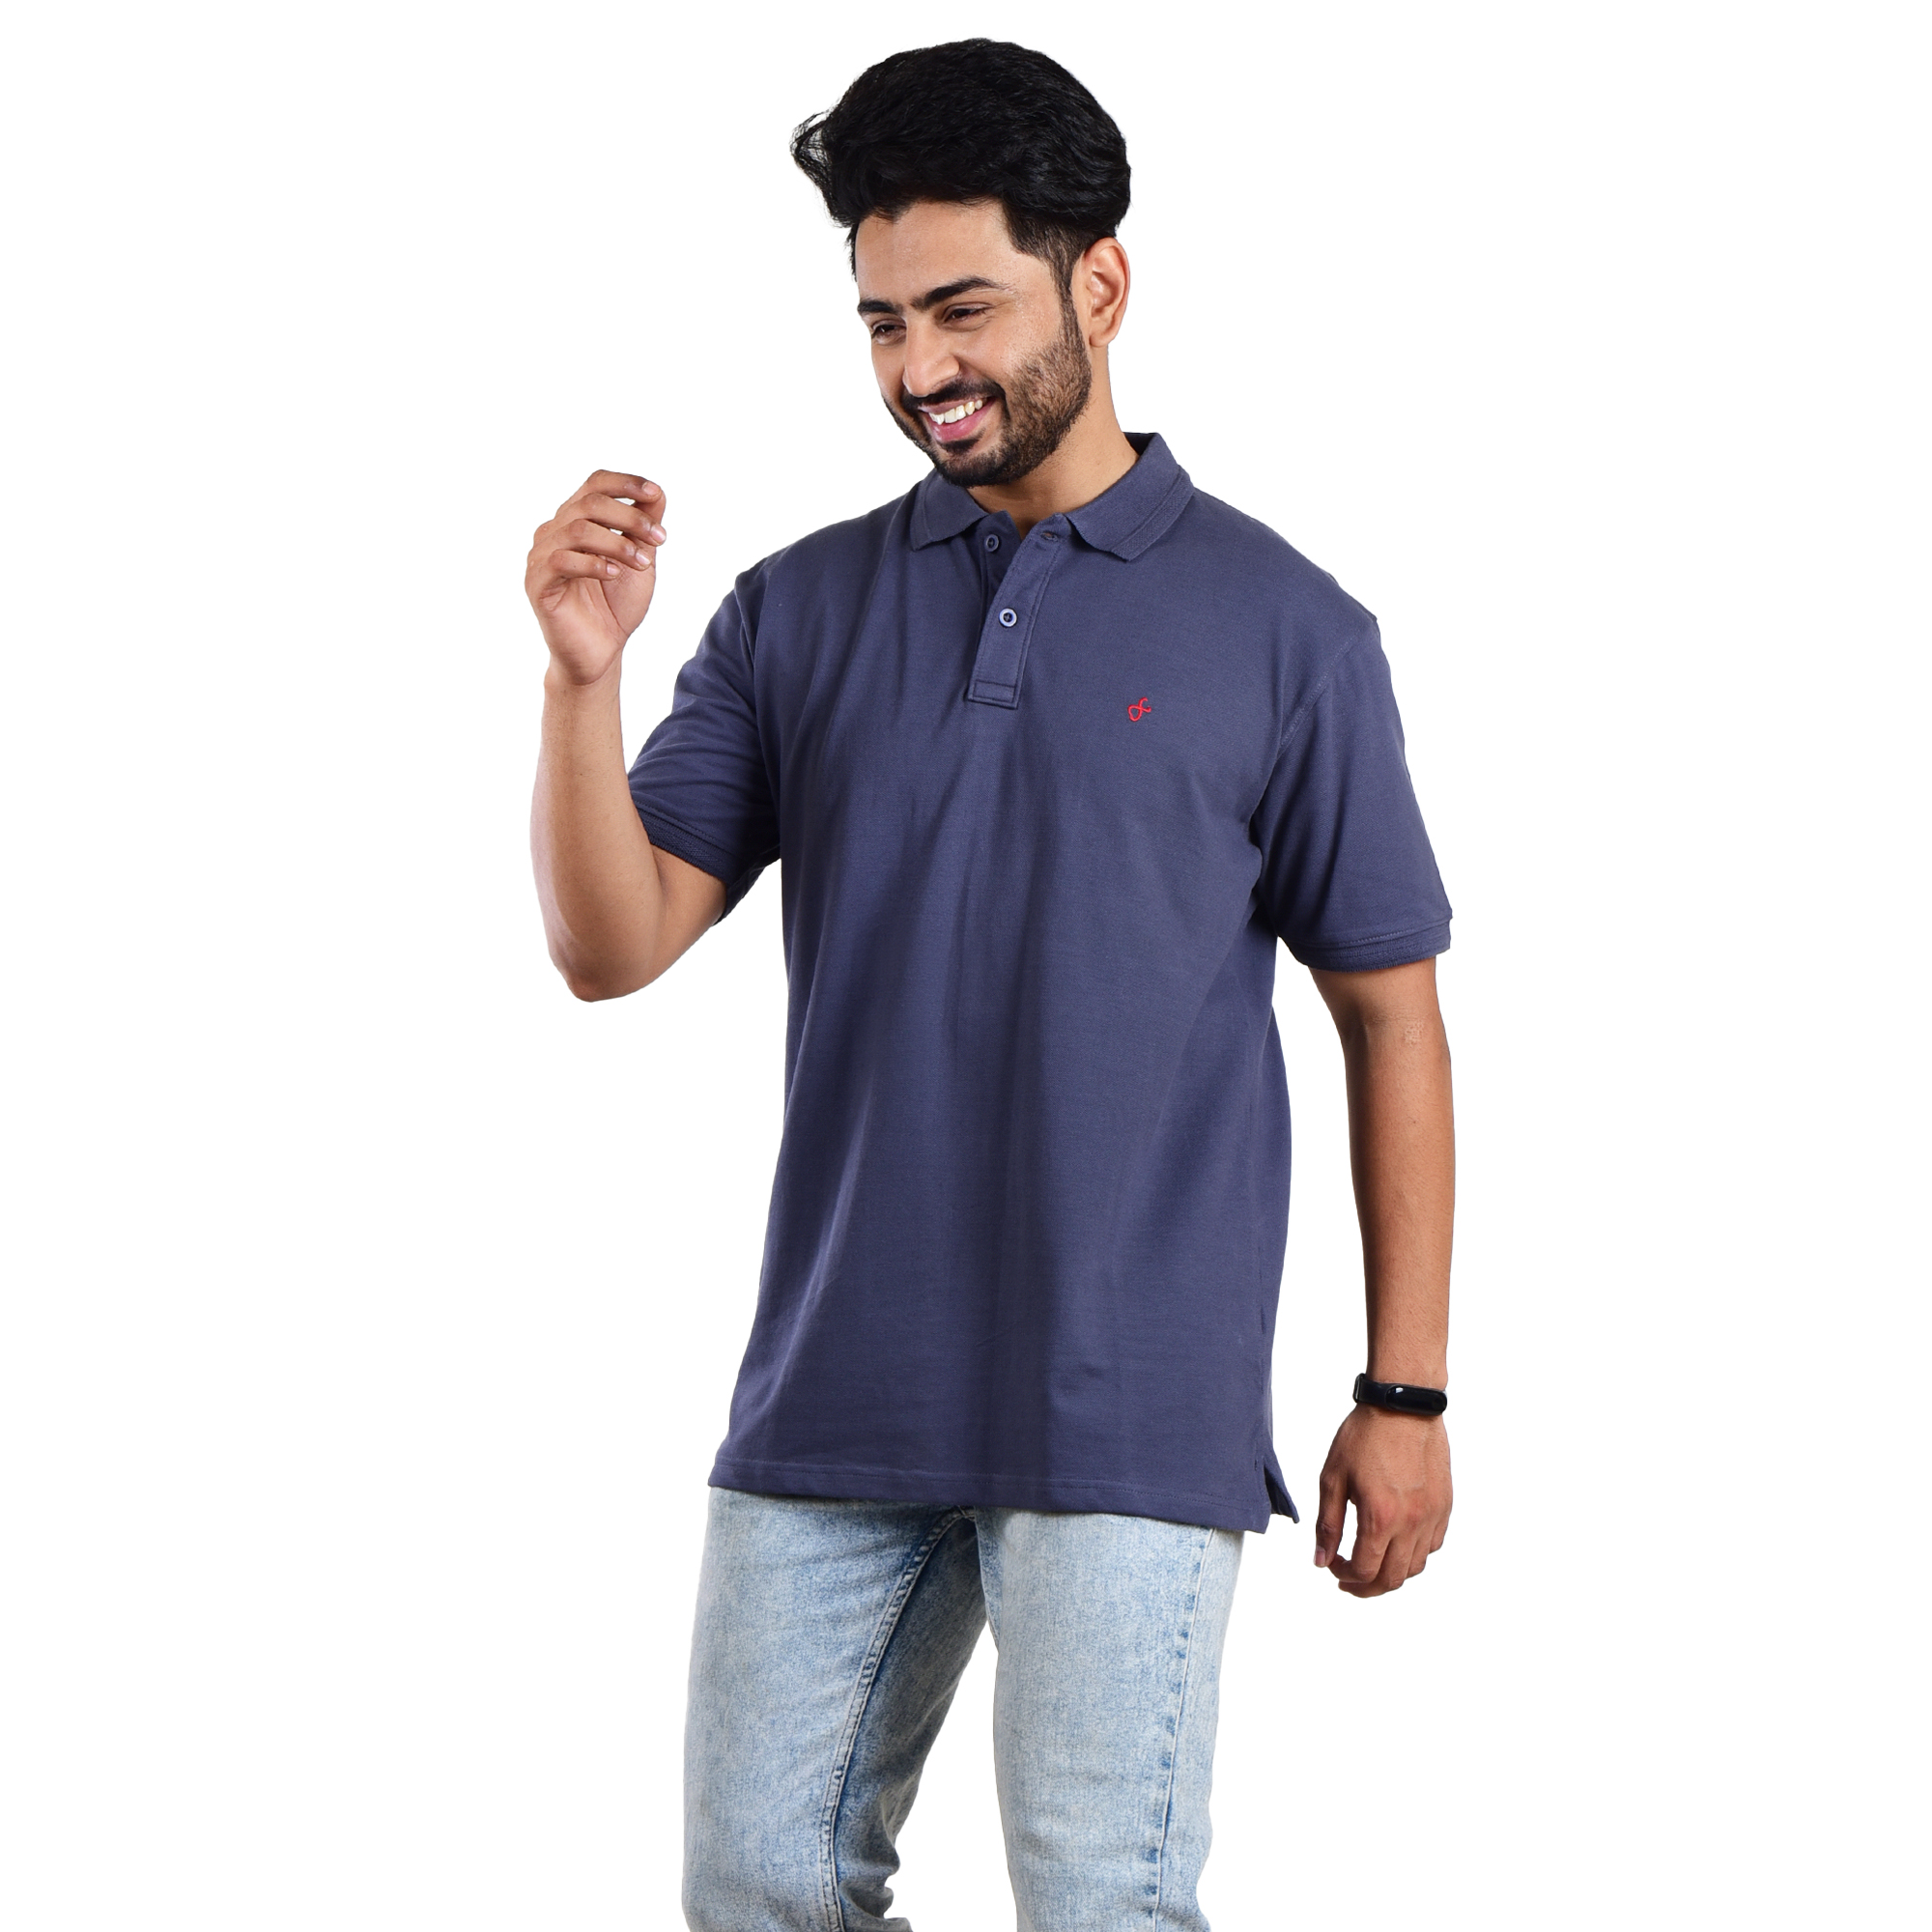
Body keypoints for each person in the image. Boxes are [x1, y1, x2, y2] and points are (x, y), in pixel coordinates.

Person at [525, 38, 1455, 1932]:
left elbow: (1390, 1017)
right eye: (882, 322)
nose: (920, 369)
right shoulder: (795, 610)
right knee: (758, 1881)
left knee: (1100, 1899)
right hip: (833, 1389)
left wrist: (1406, 1389)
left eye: (964, 308)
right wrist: (578, 679)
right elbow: (610, 947)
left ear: (1099, 284)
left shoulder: (1289, 630)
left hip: (1133, 1399)